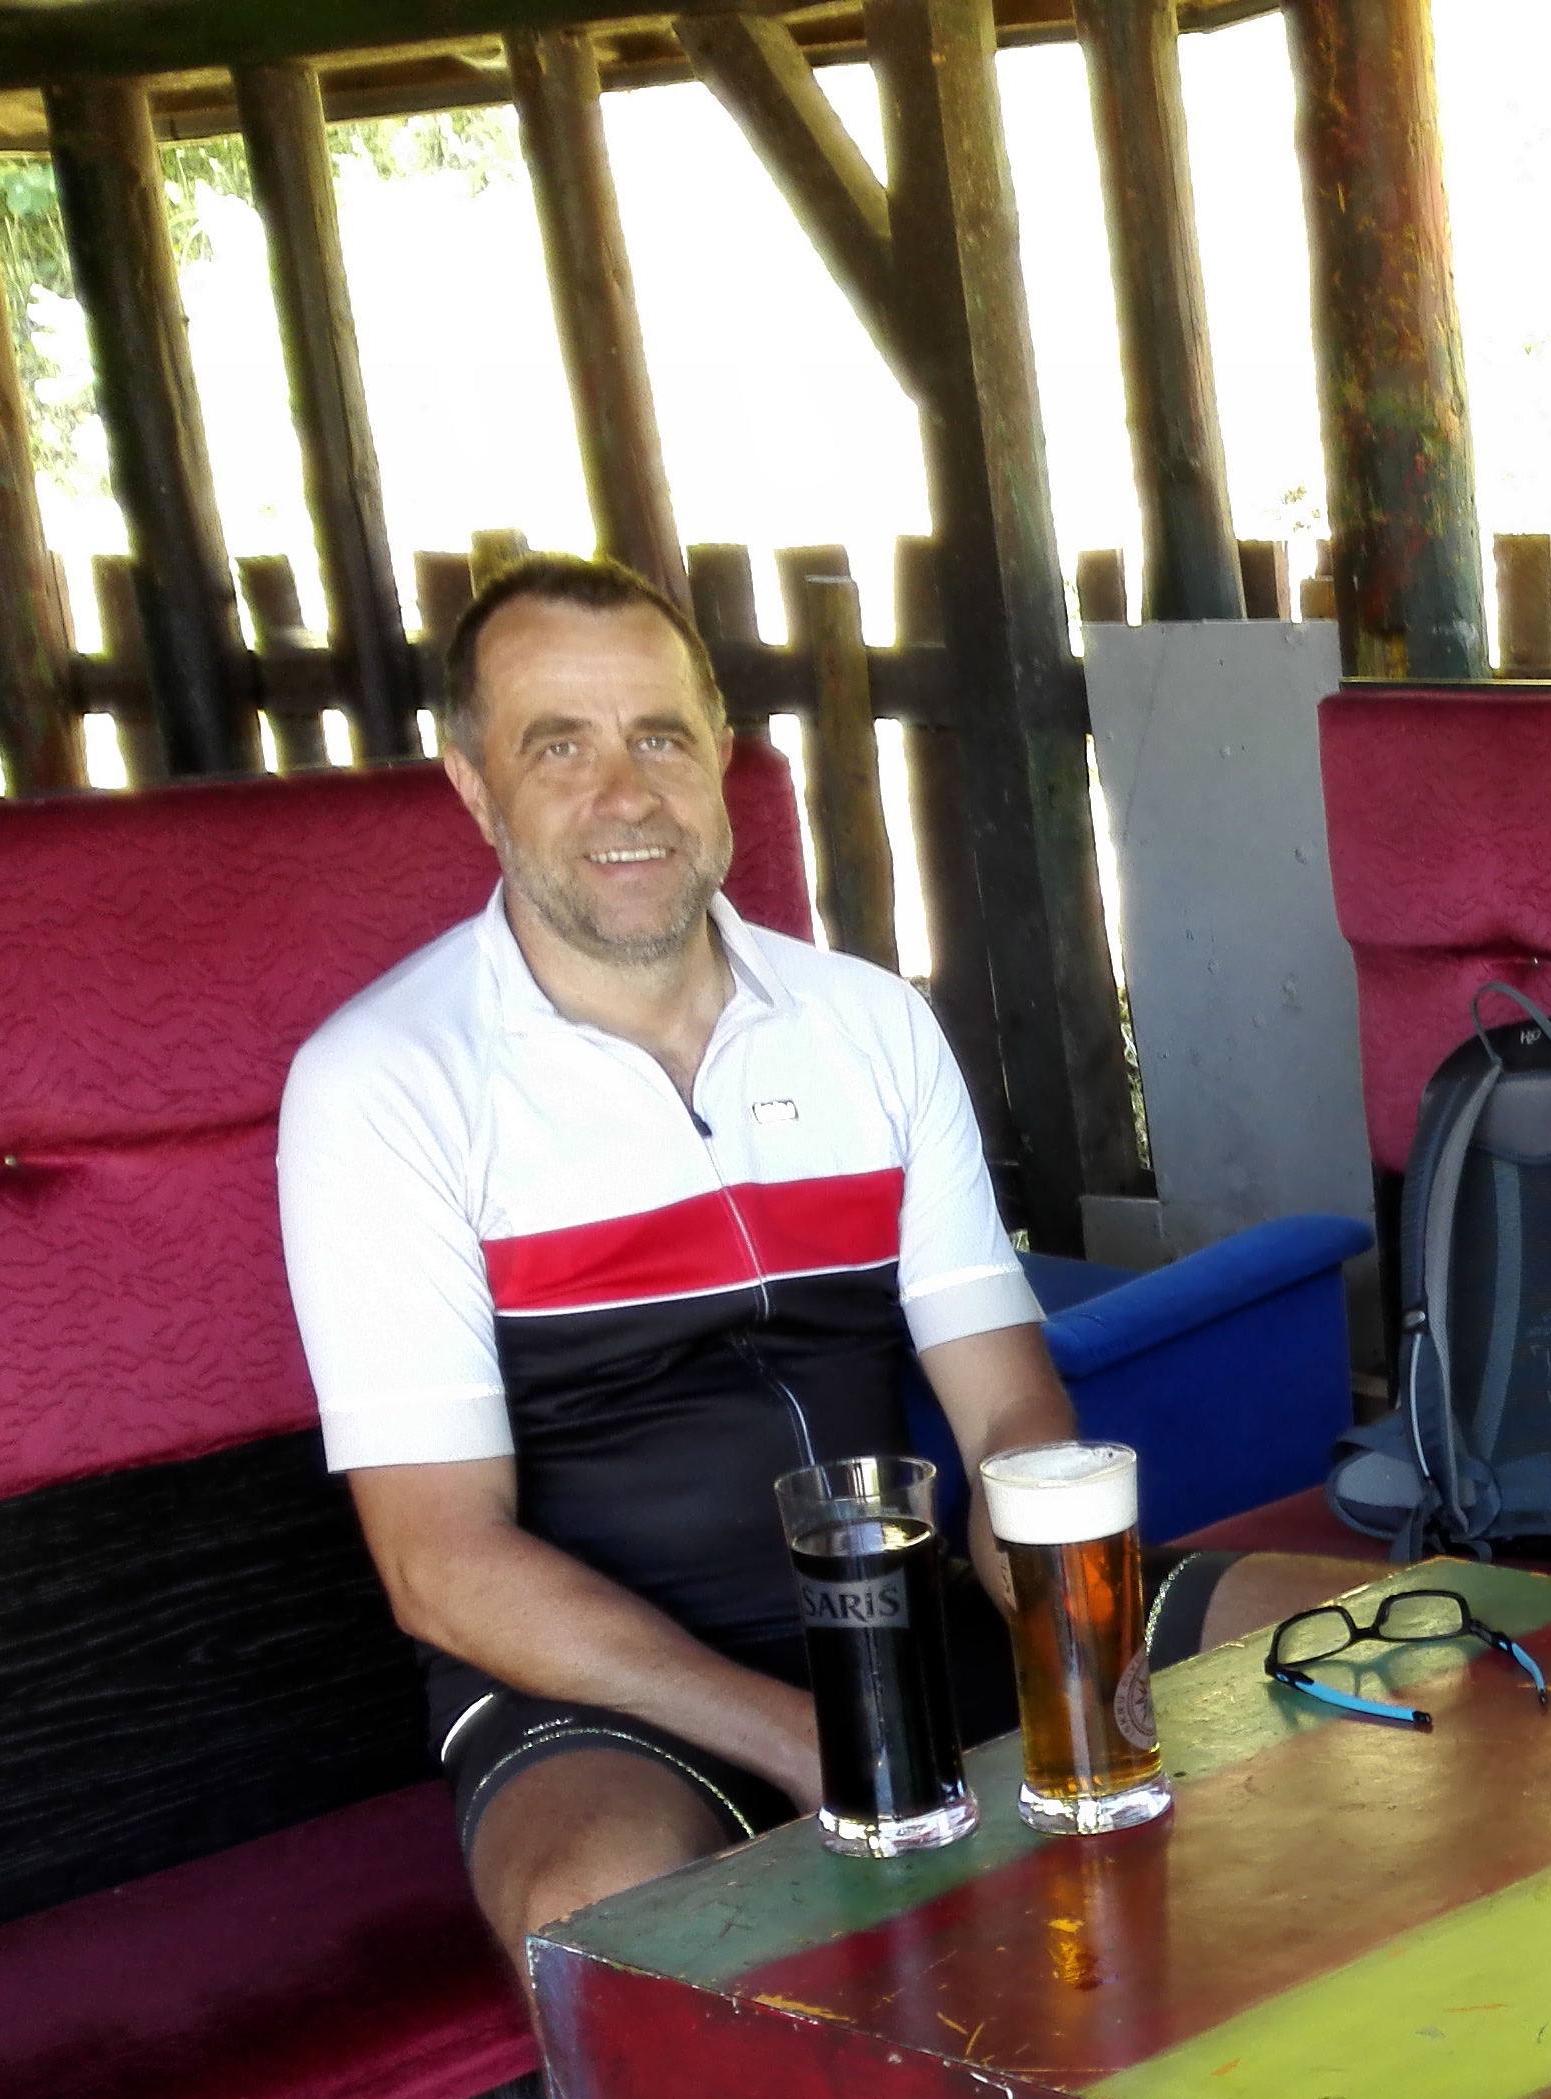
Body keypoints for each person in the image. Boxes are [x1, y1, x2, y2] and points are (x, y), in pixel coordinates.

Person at [278, 555, 1075, 1964]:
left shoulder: (870, 1023)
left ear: (719, 757)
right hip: (596, 1696)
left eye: (658, 737)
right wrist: (804, 1738)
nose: (625, 794)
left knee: (1356, 1649)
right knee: (602, 1907)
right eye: (559, 747)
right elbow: (440, 1563)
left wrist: (1065, 1625)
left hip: (905, 1620)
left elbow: (1008, 1407)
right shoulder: (385, 1081)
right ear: (473, 786)